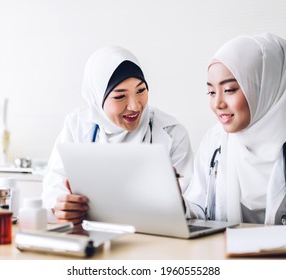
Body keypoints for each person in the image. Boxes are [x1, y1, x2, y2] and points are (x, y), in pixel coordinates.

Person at [183, 33, 286, 230]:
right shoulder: (213, 143)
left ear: (267, 89)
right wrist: (177, 205)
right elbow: (197, 210)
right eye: (211, 92)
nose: (217, 104)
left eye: (229, 89)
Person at [42, 46, 193, 224]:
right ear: (97, 98)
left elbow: (191, 205)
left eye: (141, 91)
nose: (135, 106)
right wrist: (62, 207)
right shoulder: (77, 126)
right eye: (120, 96)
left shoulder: (171, 132)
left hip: (155, 239)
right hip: (91, 236)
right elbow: (53, 190)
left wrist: (176, 204)